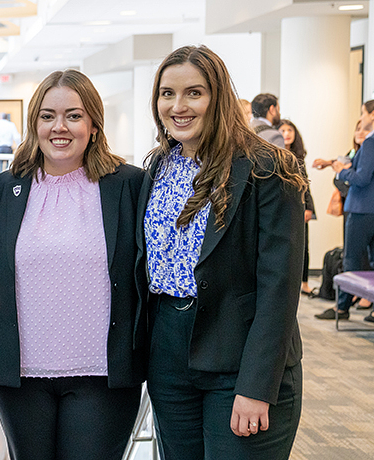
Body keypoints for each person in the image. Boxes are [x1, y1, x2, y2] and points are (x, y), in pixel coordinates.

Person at [139, 45, 306, 459]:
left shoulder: (267, 167)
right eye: (167, 93)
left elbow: (280, 288)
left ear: (219, 98)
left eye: (194, 93)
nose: (178, 106)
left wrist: (256, 387)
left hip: (240, 358)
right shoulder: (159, 166)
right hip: (169, 357)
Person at [0, 69, 145, 460]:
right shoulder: (2, 190)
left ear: (94, 125)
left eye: (73, 116)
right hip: (20, 376)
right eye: (48, 116)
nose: (59, 127)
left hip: (103, 375)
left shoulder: (129, 185)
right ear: (34, 124)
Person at [313, 100, 374, 323]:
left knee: (351, 260)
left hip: (361, 209)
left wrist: (341, 171)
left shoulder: (370, 142)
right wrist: (334, 163)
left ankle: (342, 308)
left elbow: (361, 178)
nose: (361, 118)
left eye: (363, 113)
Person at [275, 119, 316, 294]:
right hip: (280, 207)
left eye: (290, 130)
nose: (286, 134)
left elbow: (305, 184)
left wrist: (309, 208)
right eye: (283, 130)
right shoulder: (273, 155)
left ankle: (304, 282)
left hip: (299, 206)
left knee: (303, 245)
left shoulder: (299, 158)